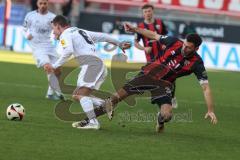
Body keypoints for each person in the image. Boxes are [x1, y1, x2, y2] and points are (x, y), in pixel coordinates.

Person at [77, 23, 218, 133]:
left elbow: (206, 88)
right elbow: (153, 34)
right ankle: (88, 120)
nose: (184, 48)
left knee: (167, 115)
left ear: (196, 49)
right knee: (114, 99)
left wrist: (210, 110)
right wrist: (135, 29)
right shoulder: (174, 42)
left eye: (188, 47)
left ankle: (160, 120)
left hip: (164, 85)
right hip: (146, 75)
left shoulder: (197, 63)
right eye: (185, 44)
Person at [45, 15, 131, 130]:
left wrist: (55, 65)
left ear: (58, 26)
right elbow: (103, 36)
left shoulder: (65, 34)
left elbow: (68, 50)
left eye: (53, 28)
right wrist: (119, 43)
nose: (53, 31)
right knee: (77, 96)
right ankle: (105, 104)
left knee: (80, 94)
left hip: (91, 65)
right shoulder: (79, 31)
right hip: (99, 65)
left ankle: (93, 122)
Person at [135, 4, 178, 108]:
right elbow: (136, 42)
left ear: (153, 12)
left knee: (171, 77)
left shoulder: (159, 23)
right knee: (153, 77)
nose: (147, 13)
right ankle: (157, 95)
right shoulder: (140, 26)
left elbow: (167, 37)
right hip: (151, 58)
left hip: (164, 55)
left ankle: (172, 98)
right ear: (142, 14)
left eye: (149, 11)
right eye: (145, 12)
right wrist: (144, 48)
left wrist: (164, 45)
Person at [23, 0, 64, 100]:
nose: (42, 5)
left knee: (58, 70)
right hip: (37, 46)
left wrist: (57, 36)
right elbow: (24, 28)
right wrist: (26, 34)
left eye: (44, 3)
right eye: (40, 3)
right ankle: (57, 92)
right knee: (48, 67)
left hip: (48, 45)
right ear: (37, 4)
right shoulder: (30, 15)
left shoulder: (52, 17)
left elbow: (57, 30)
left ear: (47, 4)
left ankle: (50, 93)